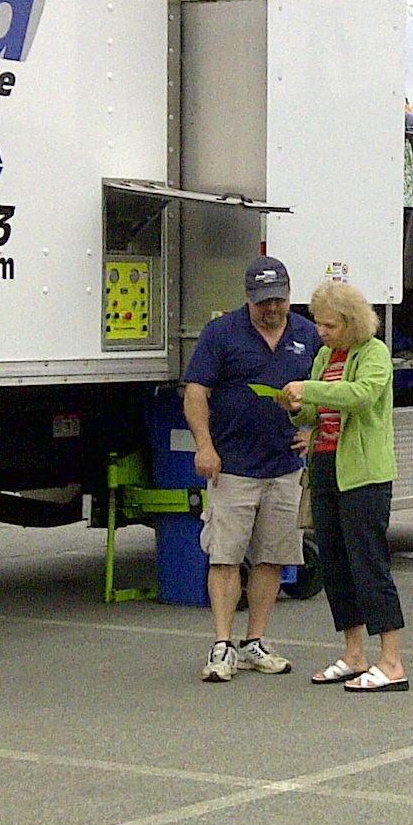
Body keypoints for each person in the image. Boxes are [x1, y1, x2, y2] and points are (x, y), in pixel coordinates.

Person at [182, 256, 317, 681]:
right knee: (225, 555)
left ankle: (255, 642)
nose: (271, 308)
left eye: (277, 299)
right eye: (262, 302)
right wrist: (205, 446)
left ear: (290, 295)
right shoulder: (222, 333)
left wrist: (314, 429)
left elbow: (332, 389)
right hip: (233, 465)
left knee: (272, 558)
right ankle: (222, 645)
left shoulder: (308, 334)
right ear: (247, 298)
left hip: (285, 465)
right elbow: (195, 392)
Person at [282, 279, 405, 693]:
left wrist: (311, 390)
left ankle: (392, 661)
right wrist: (297, 407)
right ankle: (355, 653)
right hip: (325, 465)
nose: (322, 332)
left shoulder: (375, 354)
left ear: (351, 322)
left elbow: (361, 396)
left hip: (365, 474)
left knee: (369, 563)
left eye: (330, 325)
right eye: (319, 324)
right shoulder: (323, 357)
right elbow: (316, 412)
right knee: (335, 562)